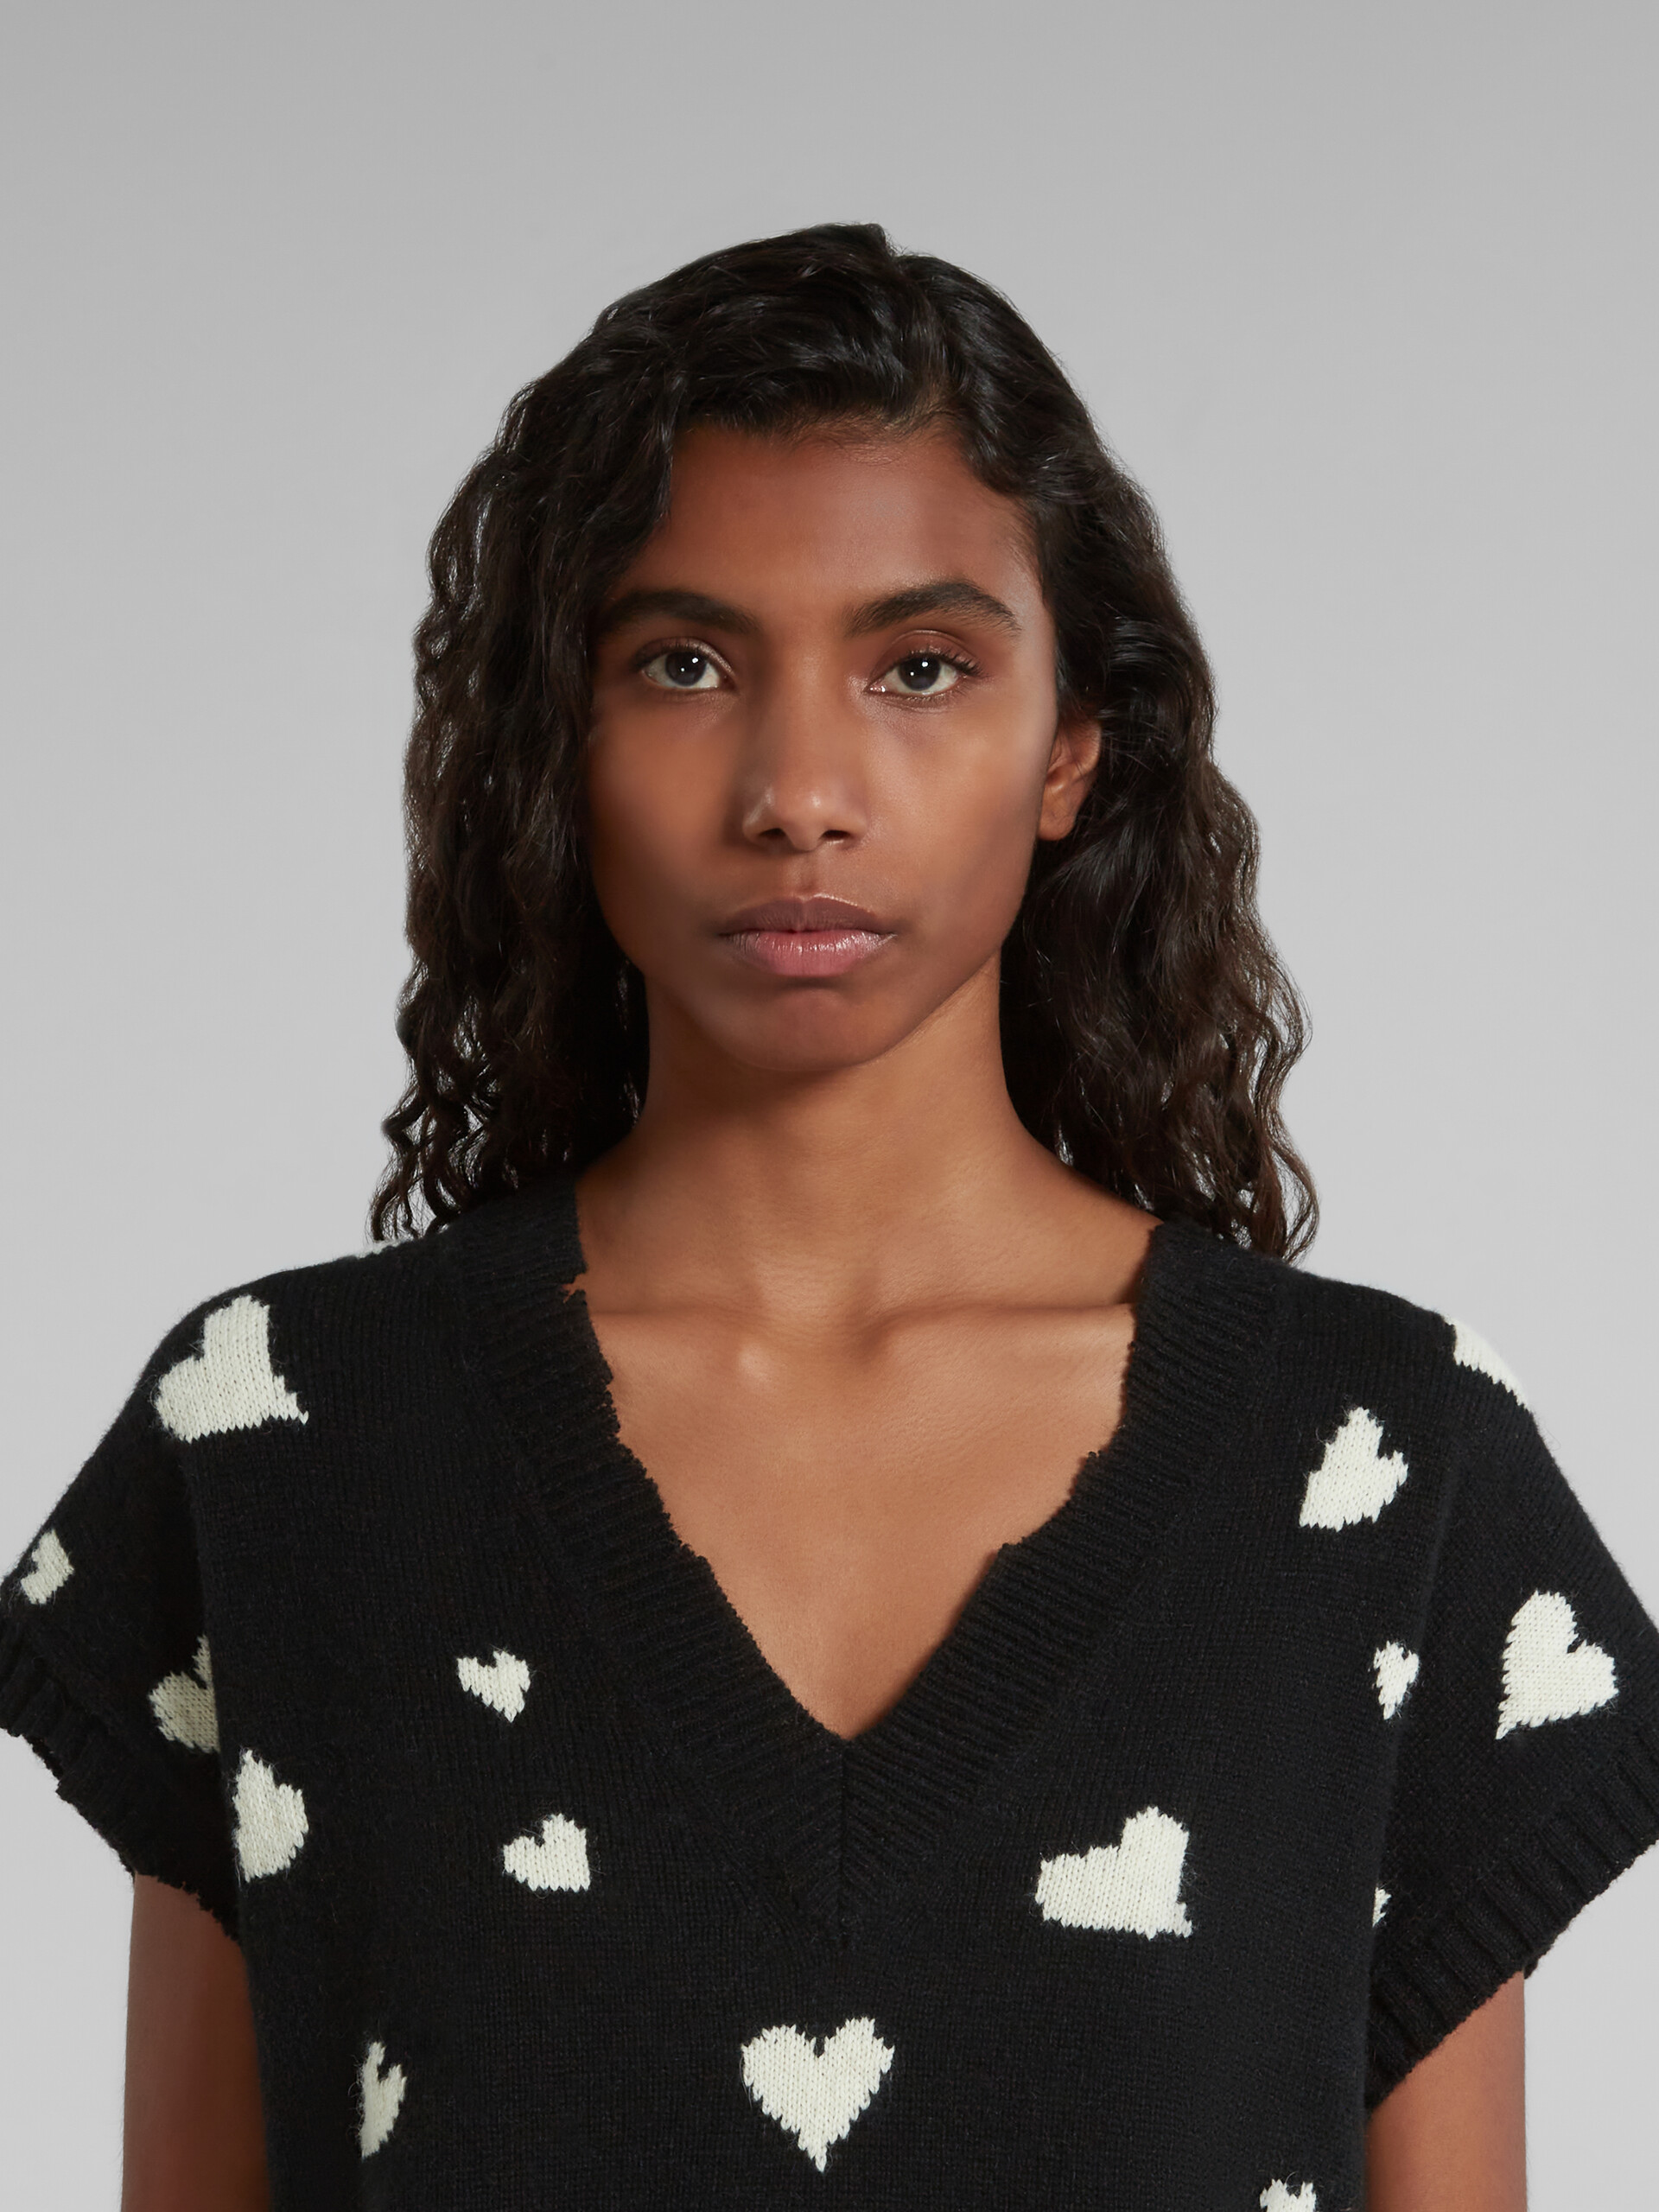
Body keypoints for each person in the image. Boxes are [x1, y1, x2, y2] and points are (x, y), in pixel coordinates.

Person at [3, 222, 1656, 2212]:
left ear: (1071, 746)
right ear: (558, 737)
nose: (799, 788)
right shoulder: (285, 1436)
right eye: (684, 664)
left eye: (920, 666)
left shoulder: (1384, 1466)